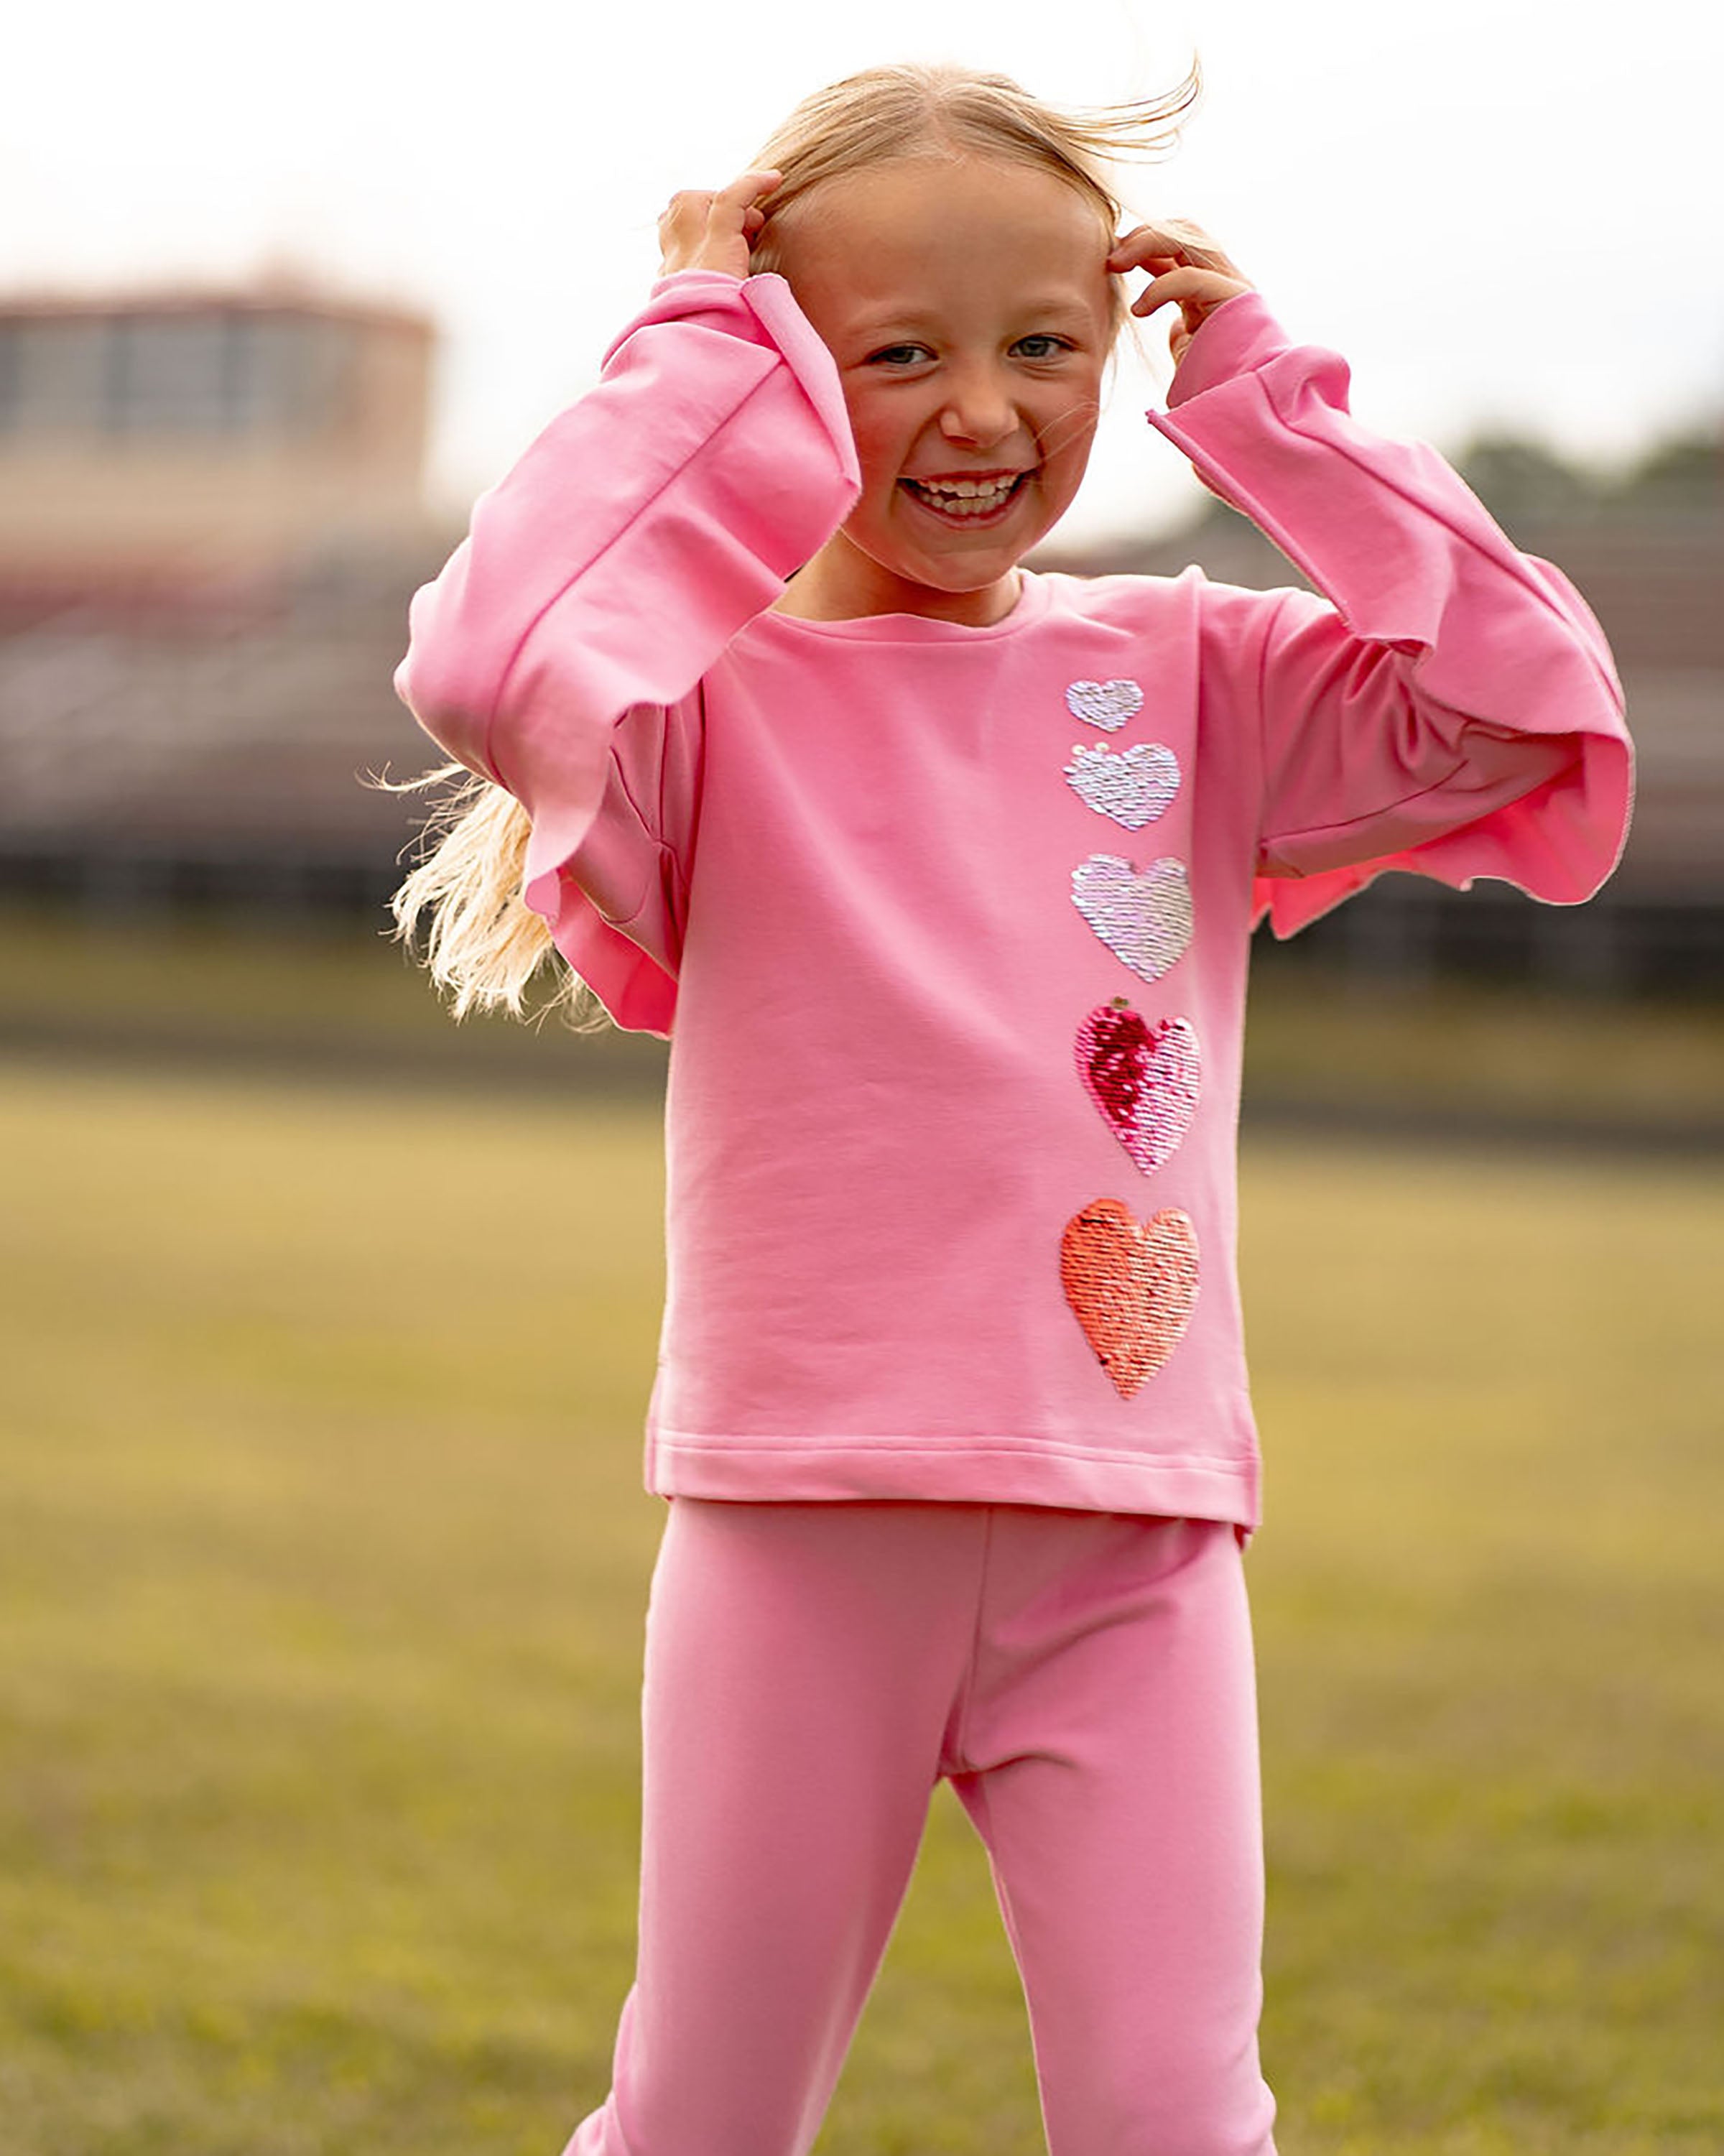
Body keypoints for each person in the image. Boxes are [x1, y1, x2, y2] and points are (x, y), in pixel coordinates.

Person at [389, 60, 1631, 2156]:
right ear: (792, 370)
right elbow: (499, 659)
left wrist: (1273, 405)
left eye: (1046, 343)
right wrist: (696, 337)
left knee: (1178, 2120)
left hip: (1135, 1540)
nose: (986, 413)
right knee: (701, 2116)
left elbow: (1529, 705)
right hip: (799, 1529)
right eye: (902, 355)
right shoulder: (708, 713)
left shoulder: (1205, 676)